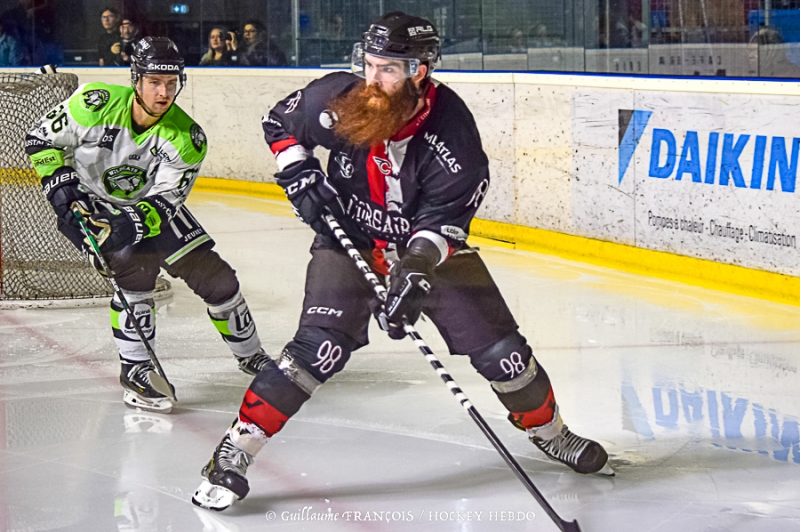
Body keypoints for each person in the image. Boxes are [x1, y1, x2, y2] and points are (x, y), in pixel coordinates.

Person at [191, 12, 613, 512]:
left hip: (424, 255)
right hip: (346, 240)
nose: (372, 79)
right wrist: (299, 171)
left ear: (419, 71)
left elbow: (443, 226)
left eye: (388, 68)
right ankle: (235, 450)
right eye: (368, 64)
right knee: (314, 351)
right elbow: (279, 122)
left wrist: (413, 268)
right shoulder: (341, 98)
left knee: (504, 354)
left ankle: (550, 432)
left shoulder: (452, 136)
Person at [25, 37, 271, 414]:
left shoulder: (187, 137)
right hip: (87, 204)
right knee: (133, 268)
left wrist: (131, 223)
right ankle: (136, 369)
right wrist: (57, 183)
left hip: (146, 208)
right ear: (136, 79)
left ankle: (253, 357)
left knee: (217, 278)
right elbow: (40, 138)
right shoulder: (96, 103)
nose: (163, 92)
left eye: (171, 84)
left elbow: (166, 201)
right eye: (155, 82)